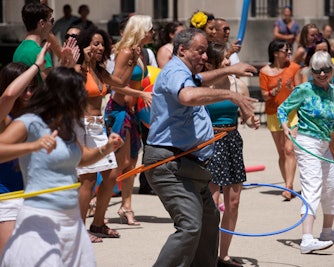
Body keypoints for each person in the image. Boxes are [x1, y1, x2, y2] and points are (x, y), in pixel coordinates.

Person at [143, 28, 258, 266]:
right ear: (182, 49)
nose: (205, 57)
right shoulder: (175, 70)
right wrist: (232, 95)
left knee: (209, 220)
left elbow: (199, 80)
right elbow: (187, 96)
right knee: (190, 226)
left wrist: (229, 69)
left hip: (191, 165)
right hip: (170, 164)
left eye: (206, 52)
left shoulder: (184, 72)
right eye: (200, 51)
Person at [0, 67, 123, 266]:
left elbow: (82, 157)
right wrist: (33, 146)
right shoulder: (30, 123)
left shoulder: (65, 127)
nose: (83, 99)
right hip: (41, 218)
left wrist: (106, 147)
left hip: (71, 220)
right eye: (79, 94)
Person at [278, 51, 334, 254]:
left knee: (331, 187)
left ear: (332, 71)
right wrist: (285, 125)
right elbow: (282, 109)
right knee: (312, 186)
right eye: (316, 71)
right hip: (307, 142)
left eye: (325, 70)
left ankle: (327, 232)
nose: (321, 74)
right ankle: (307, 239)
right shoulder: (304, 89)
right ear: (311, 71)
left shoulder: (332, 90)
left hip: (323, 145)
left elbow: (332, 122)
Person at [75, 28, 151, 241]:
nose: (99, 48)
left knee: (111, 175)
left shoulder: (99, 71)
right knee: (88, 180)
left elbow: (119, 83)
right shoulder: (78, 70)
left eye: (102, 44)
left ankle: (98, 224)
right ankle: (80, 231)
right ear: (85, 45)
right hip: (82, 127)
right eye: (95, 43)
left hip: (98, 127)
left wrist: (134, 68)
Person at [204, 42, 260, 267]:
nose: (229, 62)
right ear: (211, 62)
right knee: (212, 203)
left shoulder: (238, 86)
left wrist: (251, 120)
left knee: (234, 202)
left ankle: (223, 255)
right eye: (224, 59)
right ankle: (206, 255)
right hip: (210, 143)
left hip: (232, 142)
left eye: (228, 58)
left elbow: (247, 115)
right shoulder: (203, 85)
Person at [0, 43, 49, 256]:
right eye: (25, 87)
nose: (29, 93)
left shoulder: (34, 114)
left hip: (33, 194)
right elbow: (10, 95)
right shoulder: (3, 115)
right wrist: (36, 66)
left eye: (33, 87)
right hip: (5, 196)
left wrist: (67, 64)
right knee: (9, 257)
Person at [105, 15, 153, 225]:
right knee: (121, 162)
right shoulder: (125, 52)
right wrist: (142, 95)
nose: (153, 32)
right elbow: (114, 84)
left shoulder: (138, 52)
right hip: (119, 110)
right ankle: (97, 200)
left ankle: (126, 206)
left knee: (132, 162)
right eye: (150, 29)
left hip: (131, 112)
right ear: (141, 31)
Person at [294, 34, 334, 196]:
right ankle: (318, 184)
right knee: (311, 153)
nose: (323, 53)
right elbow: (302, 93)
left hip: (328, 117)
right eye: (319, 50)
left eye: (325, 50)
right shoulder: (306, 72)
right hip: (311, 119)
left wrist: (331, 91)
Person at [259, 39, 300, 200]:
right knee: (282, 152)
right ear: (276, 53)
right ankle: (287, 183)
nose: (289, 52)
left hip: (292, 114)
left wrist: (292, 89)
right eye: (286, 50)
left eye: (289, 50)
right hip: (273, 114)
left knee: (290, 149)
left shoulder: (295, 68)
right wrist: (273, 92)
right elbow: (263, 95)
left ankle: (289, 187)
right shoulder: (264, 72)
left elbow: (302, 89)